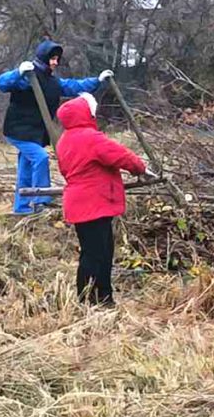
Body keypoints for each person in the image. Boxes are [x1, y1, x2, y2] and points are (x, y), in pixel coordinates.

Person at [0, 40, 113, 214]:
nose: (55, 63)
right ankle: (41, 202)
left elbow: (74, 86)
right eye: (52, 59)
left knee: (26, 168)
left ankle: (21, 208)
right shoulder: (27, 77)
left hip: (35, 133)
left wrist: (98, 80)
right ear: (44, 58)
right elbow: (1, 83)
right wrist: (18, 72)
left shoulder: (53, 82)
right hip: (18, 130)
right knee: (40, 158)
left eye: (57, 59)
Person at [56, 93, 151, 305]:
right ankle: (96, 300)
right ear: (86, 114)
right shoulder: (91, 137)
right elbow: (121, 155)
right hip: (94, 203)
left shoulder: (64, 140)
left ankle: (95, 298)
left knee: (93, 252)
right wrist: (141, 169)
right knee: (99, 254)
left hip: (79, 203)